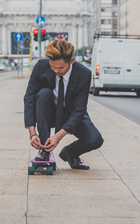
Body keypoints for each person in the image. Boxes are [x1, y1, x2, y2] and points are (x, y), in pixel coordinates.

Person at [24, 40, 103, 170]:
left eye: (60, 68)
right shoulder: (40, 67)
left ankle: (70, 153)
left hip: (70, 112)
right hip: (47, 111)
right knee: (44, 94)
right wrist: (32, 133)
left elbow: (79, 109)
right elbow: (29, 98)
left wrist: (58, 136)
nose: (56, 70)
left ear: (71, 61)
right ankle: (44, 152)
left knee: (95, 139)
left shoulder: (84, 74)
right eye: (52, 67)